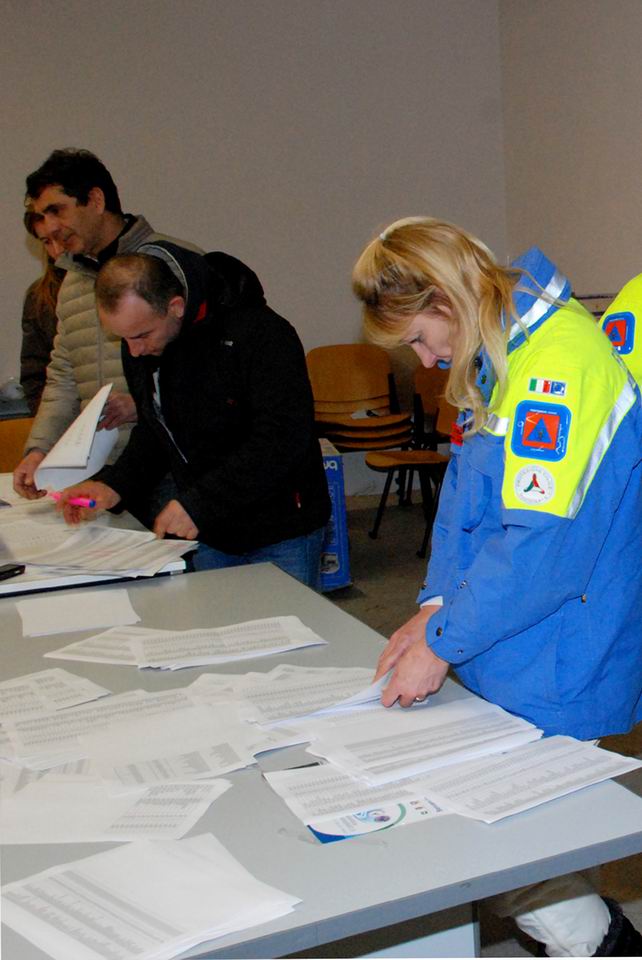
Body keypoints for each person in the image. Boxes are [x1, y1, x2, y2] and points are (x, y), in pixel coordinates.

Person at [352, 217, 642, 957]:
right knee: (523, 845)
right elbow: (465, 501)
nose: (425, 359)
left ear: (445, 299)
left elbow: (543, 551)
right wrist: (432, 608)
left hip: (558, 648)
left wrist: (443, 639)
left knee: (520, 851)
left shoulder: (559, 362)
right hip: (497, 636)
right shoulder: (498, 353)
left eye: (422, 338)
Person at [56, 248, 330, 588]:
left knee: (287, 619)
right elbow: (157, 428)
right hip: (210, 529)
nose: (134, 350)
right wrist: (114, 485)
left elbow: (281, 439)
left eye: (141, 335)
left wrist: (200, 503)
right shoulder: (148, 344)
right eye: (123, 339)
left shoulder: (262, 334)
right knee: (217, 619)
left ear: (176, 307)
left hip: (280, 528)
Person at [13, 148, 200, 499]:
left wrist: (143, 407)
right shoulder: (71, 283)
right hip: (102, 471)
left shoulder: (175, 264)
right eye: (42, 216)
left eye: (57, 210)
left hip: (172, 467)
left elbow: (211, 376)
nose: (50, 227)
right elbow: (63, 375)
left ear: (96, 200)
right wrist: (39, 449)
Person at [20, 210, 66, 414]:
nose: (57, 250)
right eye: (47, 242)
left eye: (61, 237)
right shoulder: (39, 296)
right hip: (64, 416)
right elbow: (35, 373)